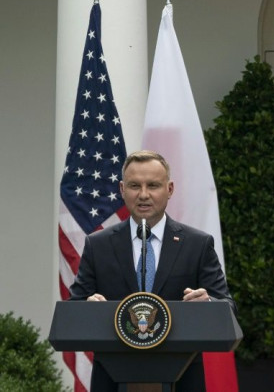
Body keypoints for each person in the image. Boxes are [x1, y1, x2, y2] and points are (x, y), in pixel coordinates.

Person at [69, 150, 235, 392]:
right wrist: (89, 307)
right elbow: (74, 309)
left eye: (153, 185)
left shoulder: (197, 244)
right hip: (113, 380)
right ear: (121, 190)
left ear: (169, 189)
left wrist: (208, 302)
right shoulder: (98, 245)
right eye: (135, 185)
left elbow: (228, 308)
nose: (144, 195)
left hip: (182, 380)